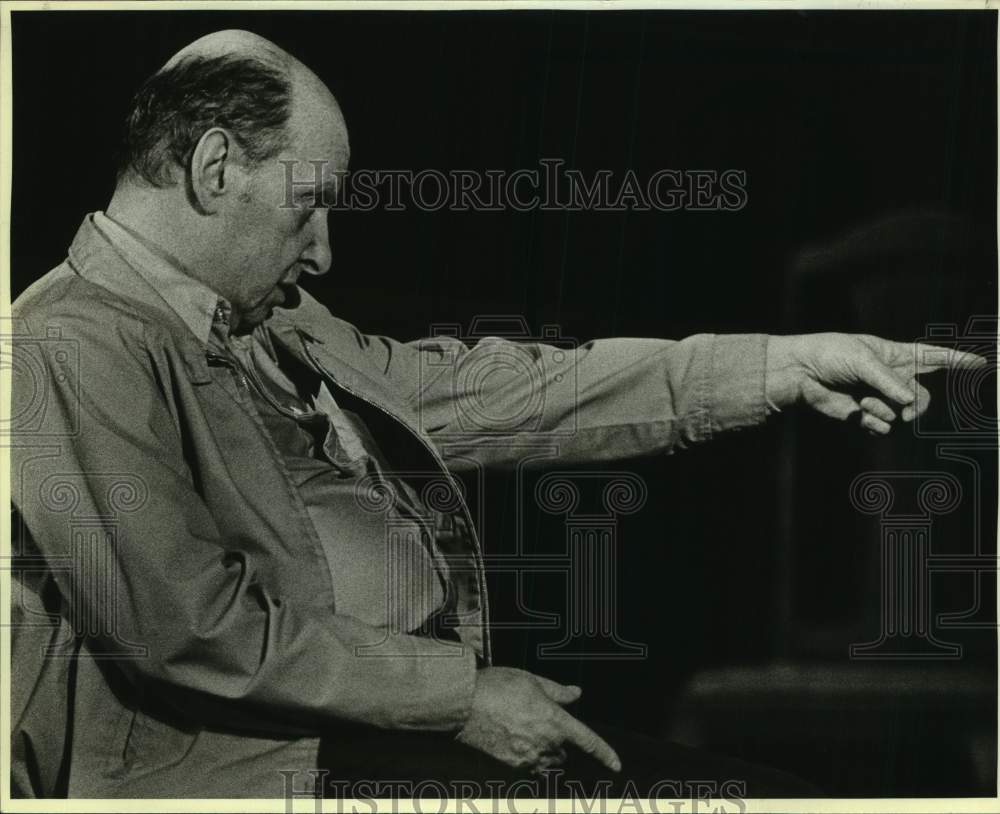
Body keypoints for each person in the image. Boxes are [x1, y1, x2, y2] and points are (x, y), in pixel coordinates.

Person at [8, 29, 983, 801]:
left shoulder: (271, 320)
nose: (324, 251)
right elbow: (187, 625)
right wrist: (461, 697)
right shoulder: (70, 340)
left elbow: (495, 390)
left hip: (369, 742)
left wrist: (771, 365)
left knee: (777, 797)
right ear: (215, 167)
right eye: (308, 206)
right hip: (256, 775)